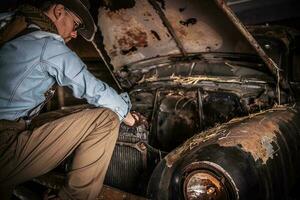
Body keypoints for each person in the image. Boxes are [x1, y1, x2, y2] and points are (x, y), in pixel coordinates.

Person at [0, 0, 140, 199]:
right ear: (58, 11)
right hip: (4, 144)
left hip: (12, 125)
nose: (74, 34)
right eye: (76, 25)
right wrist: (128, 117)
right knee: (106, 119)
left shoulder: (10, 26)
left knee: (84, 111)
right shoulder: (47, 45)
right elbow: (91, 87)